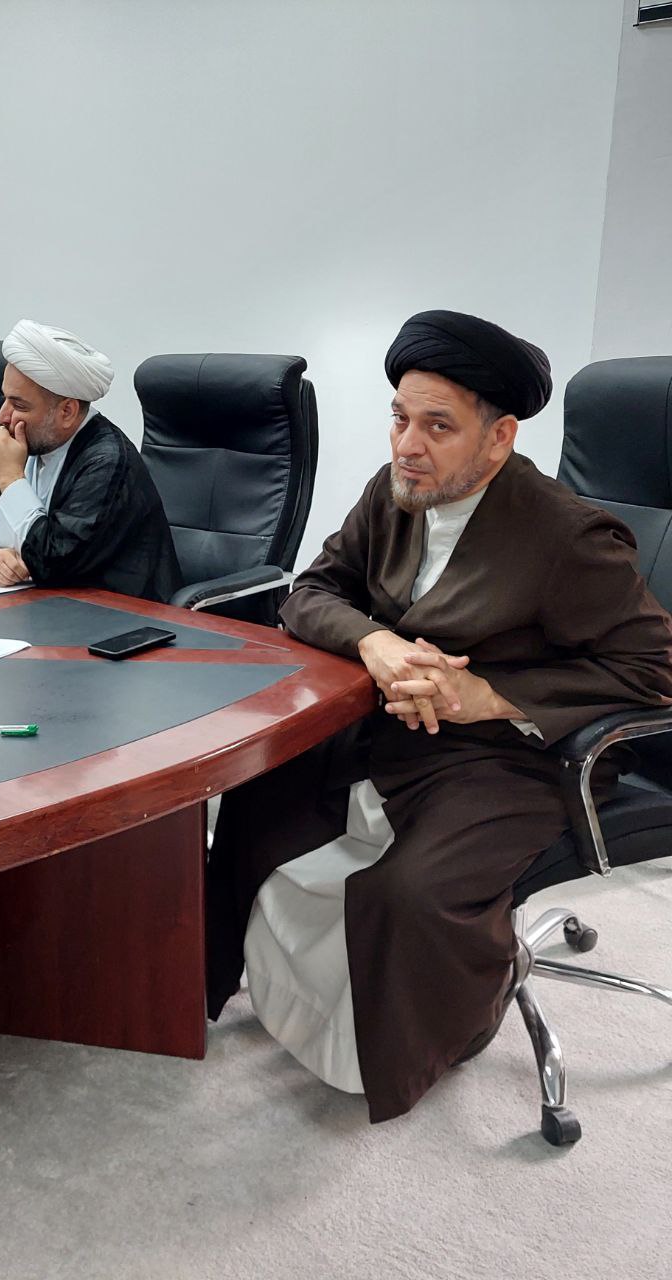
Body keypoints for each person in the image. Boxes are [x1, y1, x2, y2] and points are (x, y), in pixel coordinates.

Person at [205, 309, 672, 1123]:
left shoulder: (568, 537)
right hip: (391, 726)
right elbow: (311, 592)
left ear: (499, 438)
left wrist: (487, 695)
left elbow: (653, 667)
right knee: (256, 801)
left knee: (410, 892)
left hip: (514, 755)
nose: (407, 445)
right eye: (399, 418)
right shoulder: (395, 493)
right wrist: (377, 642)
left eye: (437, 426)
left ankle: (450, 1026)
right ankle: (234, 988)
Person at [0, 319, 182, 602]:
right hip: (35, 610)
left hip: (116, 617)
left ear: (67, 411)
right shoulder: (27, 443)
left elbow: (52, 563)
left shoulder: (107, 462)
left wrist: (10, 479)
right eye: (5, 399)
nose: (2, 416)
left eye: (19, 405)